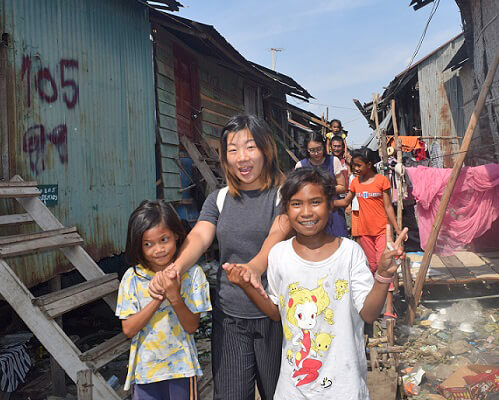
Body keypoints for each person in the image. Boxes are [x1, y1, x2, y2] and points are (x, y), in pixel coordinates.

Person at [224, 168, 408, 399]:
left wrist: (382, 276)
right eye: (296, 204)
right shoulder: (279, 255)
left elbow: (369, 314)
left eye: (315, 202)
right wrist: (247, 286)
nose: (306, 212)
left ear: (331, 204)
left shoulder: (349, 253)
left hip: (344, 387)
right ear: (286, 211)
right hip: (294, 388)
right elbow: (276, 313)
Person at [148, 114, 290, 400]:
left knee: (281, 394)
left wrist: (252, 268)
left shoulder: (284, 195)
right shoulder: (219, 199)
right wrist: (173, 269)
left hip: (276, 316)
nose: (242, 158)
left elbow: (276, 238)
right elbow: (200, 237)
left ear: (266, 149)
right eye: (232, 149)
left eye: (250, 147)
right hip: (230, 319)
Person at [116, 200, 211, 399]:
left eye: (164, 239)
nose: (158, 249)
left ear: (176, 235)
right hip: (145, 372)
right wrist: (158, 298)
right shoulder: (132, 278)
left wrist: (174, 295)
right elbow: (129, 329)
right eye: (148, 244)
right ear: (137, 245)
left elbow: (192, 326)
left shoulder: (192, 275)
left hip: (182, 369)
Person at [335, 147, 402, 319]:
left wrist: (397, 229)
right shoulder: (355, 183)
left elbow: (388, 207)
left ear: (369, 164)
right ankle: (375, 305)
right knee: (371, 268)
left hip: (381, 231)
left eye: (358, 165)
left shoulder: (381, 181)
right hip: (364, 232)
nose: (355, 169)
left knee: (385, 267)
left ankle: (388, 308)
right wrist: (325, 203)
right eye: (353, 166)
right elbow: (345, 202)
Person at [295, 132, 347, 237]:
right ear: (307, 149)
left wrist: (324, 190)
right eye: (312, 150)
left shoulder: (333, 161)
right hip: (310, 213)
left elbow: (342, 187)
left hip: (333, 210)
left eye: (319, 149)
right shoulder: (301, 165)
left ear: (323, 146)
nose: (316, 153)